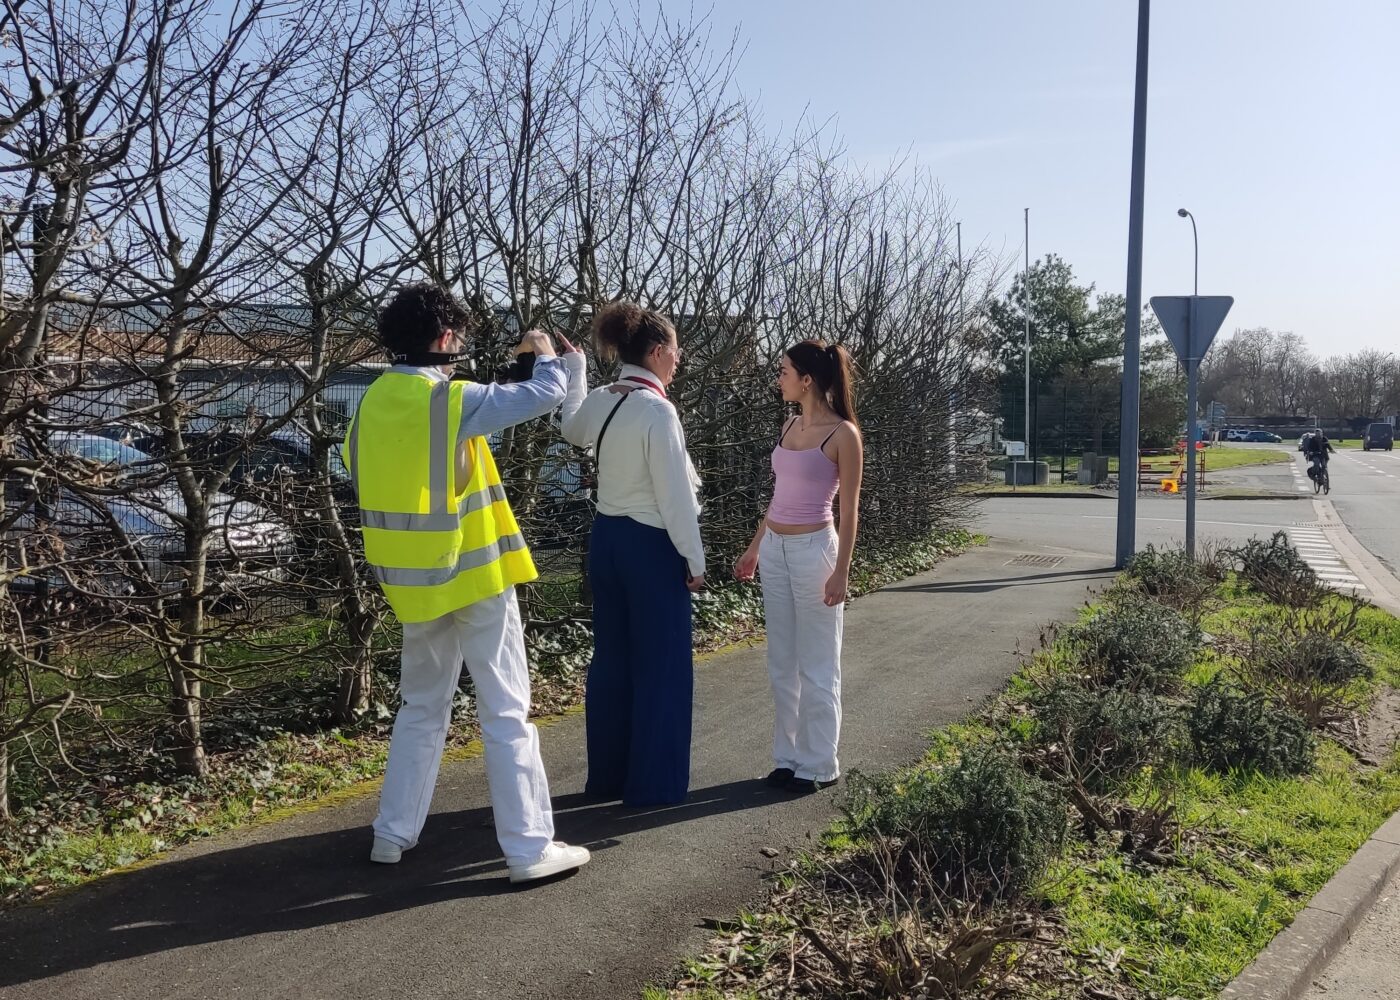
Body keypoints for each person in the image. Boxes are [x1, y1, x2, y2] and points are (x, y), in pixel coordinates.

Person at [342, 284, 590, 883]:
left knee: (421, 707)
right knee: (506, 710)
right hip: (473, 576)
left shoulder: (370, 405)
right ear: (445, 338)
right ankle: (530, 849)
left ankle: (392, 833)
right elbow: (545, 393)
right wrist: (547, 353)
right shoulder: (452, 402)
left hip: (411, 584)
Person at [560, 301, 703, 806]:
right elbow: (676, 496)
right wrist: (695, 558)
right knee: (661, 664)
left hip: (607, 540)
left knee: (613, 660)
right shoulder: (657, 409)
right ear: (659, 353)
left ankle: (608, 778)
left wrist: (576, 373)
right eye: (677, 352)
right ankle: (653, 787)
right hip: (650, 545)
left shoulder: (602, 397)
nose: (679, 361)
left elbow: (570, 429)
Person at [734, 341, 863, 794]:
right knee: (781, 663)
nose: (779, 377)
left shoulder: (843, 434)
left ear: (806, 379)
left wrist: (842, 570)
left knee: (818, 662)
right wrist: (754, 547)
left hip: (815, 553)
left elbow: (850, 509)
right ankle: (787, 758)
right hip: (775, 552)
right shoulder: (788, 425)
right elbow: (779, 498)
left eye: (784, 370)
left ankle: (819, 762)